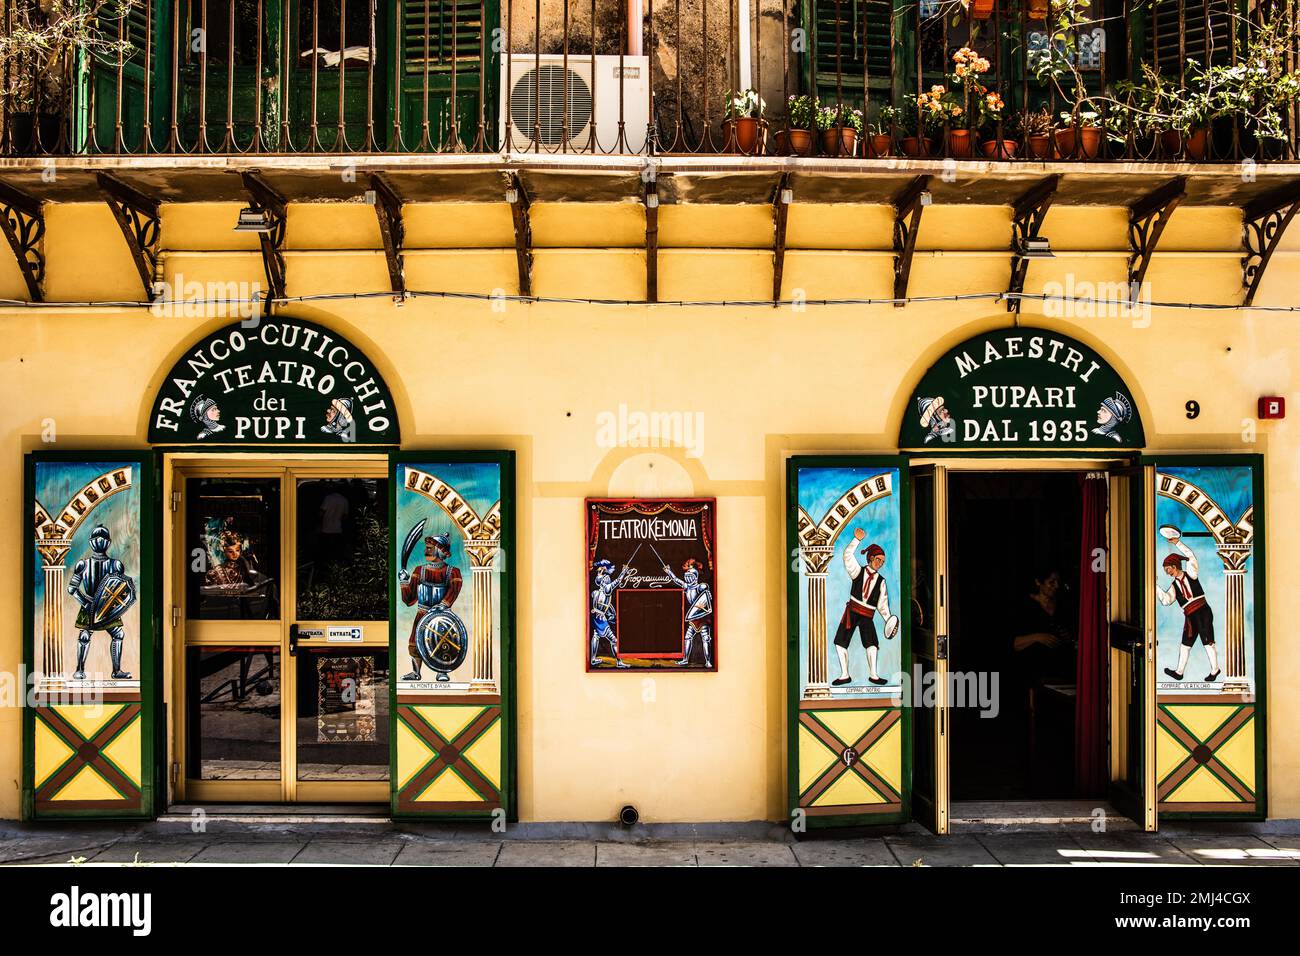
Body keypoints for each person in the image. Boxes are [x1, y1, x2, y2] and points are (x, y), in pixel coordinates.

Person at [67, 525, 133, 680]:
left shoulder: (115, 565)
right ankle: (79, 669)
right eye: (97, 539)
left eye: (103, 539)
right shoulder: (83, 565)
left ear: (108, 542)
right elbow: (72, 588)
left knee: (118, 634)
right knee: (84, 636)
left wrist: (113, 606)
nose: (100, 542)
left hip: (108, 606)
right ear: (91, 542)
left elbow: (120, 589)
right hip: (88, 604)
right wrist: (85, 602)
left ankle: (116, 671)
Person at [831, 528, 893, 687]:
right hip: (852, 612)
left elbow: (882, 604)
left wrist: (888, 621)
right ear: (871, 558)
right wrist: (856, 540)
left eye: (883, 562)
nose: (880, 563)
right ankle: (844, 675)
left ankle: (874, 675)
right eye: (878, 559)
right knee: (840, 642)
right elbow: (847, 556)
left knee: (872, 644)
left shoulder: (881, 581)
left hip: (867, 615)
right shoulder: (858, 571)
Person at [399, 533, 463, 681]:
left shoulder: (452, 572)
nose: (426, 551)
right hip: (422, 614)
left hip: (442, 616)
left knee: (443, 643)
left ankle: (442, 671)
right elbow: (409, 600)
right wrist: (403, 582)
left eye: (429, 548)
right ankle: (416, 672)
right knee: (415, 643)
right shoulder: (418, 571)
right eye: (426, 548)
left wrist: (442, 605)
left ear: (440, 551)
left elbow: (454, 591)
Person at [1158, 534, 1220, 682]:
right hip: (1190, 616)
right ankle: (1179, 672)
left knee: (1208, 642)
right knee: (1185, 644)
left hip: (1203, 611)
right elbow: (1166, 600)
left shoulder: (1191, 574)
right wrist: (1155, 587)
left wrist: (1178, 543)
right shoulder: (1174, 586)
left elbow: (1191, 557)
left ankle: (1215, 670)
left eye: (1168, 569)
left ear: (1175, 566)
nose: (1167, 572)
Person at [1011, 568, 1074, 683]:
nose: (1056, 586)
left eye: (1058, 582)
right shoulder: (1024, 606)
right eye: (1051, 582)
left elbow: (1073, 637)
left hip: (1060, 673)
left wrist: (1068, 636)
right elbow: (1015, 644)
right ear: (1038, 582)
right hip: (1032, 674)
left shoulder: (1063, 605)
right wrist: (1038, 637)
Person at [662, 558, 714, 667]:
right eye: (687, 576)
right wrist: (669, 571)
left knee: (706, 638)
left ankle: (708, 661)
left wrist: (707, 592)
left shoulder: (700, 587)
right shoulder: (687, 587)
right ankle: (685, 659)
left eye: (690, 576)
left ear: (695, 577)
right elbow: (676, 580)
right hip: (693, 617)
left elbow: (706, 596)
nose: (688, 578)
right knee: (687, 637)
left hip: (702, 617)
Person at [590, 559, 634, 668]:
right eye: (606, 578)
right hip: (600, 618)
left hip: (595, 616)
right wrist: (624, 571)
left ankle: (593, 659)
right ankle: (619, 662)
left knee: (596, 635)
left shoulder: (596, 592)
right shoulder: (606, 589)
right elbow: (618, 581)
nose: (608, 579)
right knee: (614, 640)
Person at [318, 482, 351, 568]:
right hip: (338, 530)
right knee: (336, 552)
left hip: (326, 529)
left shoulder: (328, 498)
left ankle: (324, 568)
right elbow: (345, 516)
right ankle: (335, 569)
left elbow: (321, 512)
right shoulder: (344, 500)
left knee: (324, 551)